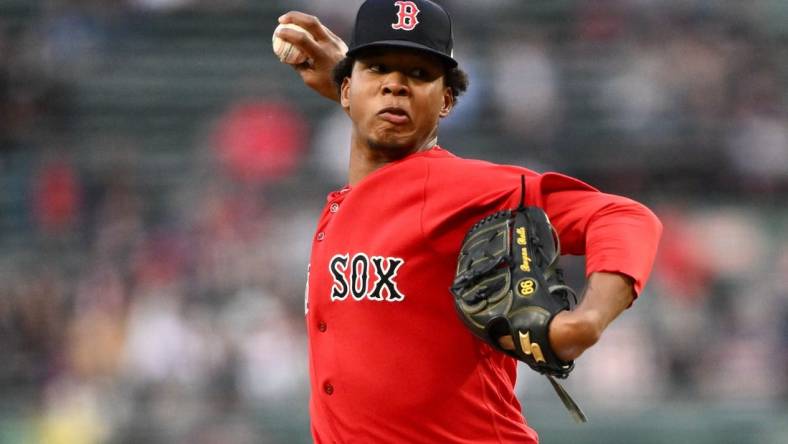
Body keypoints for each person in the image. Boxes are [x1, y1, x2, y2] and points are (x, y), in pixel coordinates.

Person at [275, 1, 662, 442]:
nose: (396, 86)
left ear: (447, 102)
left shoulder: (459, 190)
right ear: (344, 90)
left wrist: (586, 321)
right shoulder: (351, 199)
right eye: (378, 68)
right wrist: (357, 84)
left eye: (419, 75)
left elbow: (625, 216)